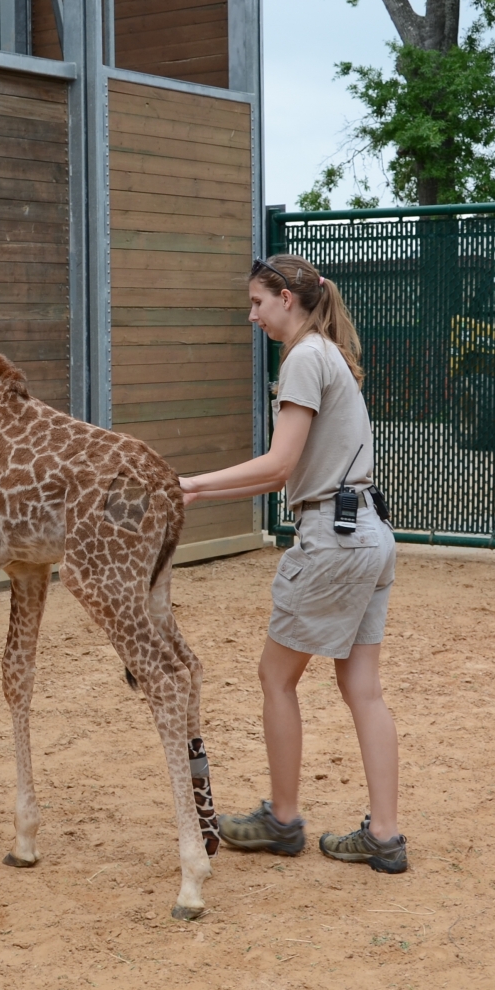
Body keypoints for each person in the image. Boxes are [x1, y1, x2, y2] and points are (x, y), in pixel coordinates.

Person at [177, 254, 406, 873]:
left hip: (332, 539)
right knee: (363, 687)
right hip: (369, 535)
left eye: (257, 302)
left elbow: (279, 467)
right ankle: (383, 834)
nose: (252, 315)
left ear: (286, 297)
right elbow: (285, 473)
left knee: (275, 677)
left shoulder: (304, 357)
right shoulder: (330, 353)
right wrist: (197, 492)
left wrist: (193, 480)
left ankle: (282, 821)